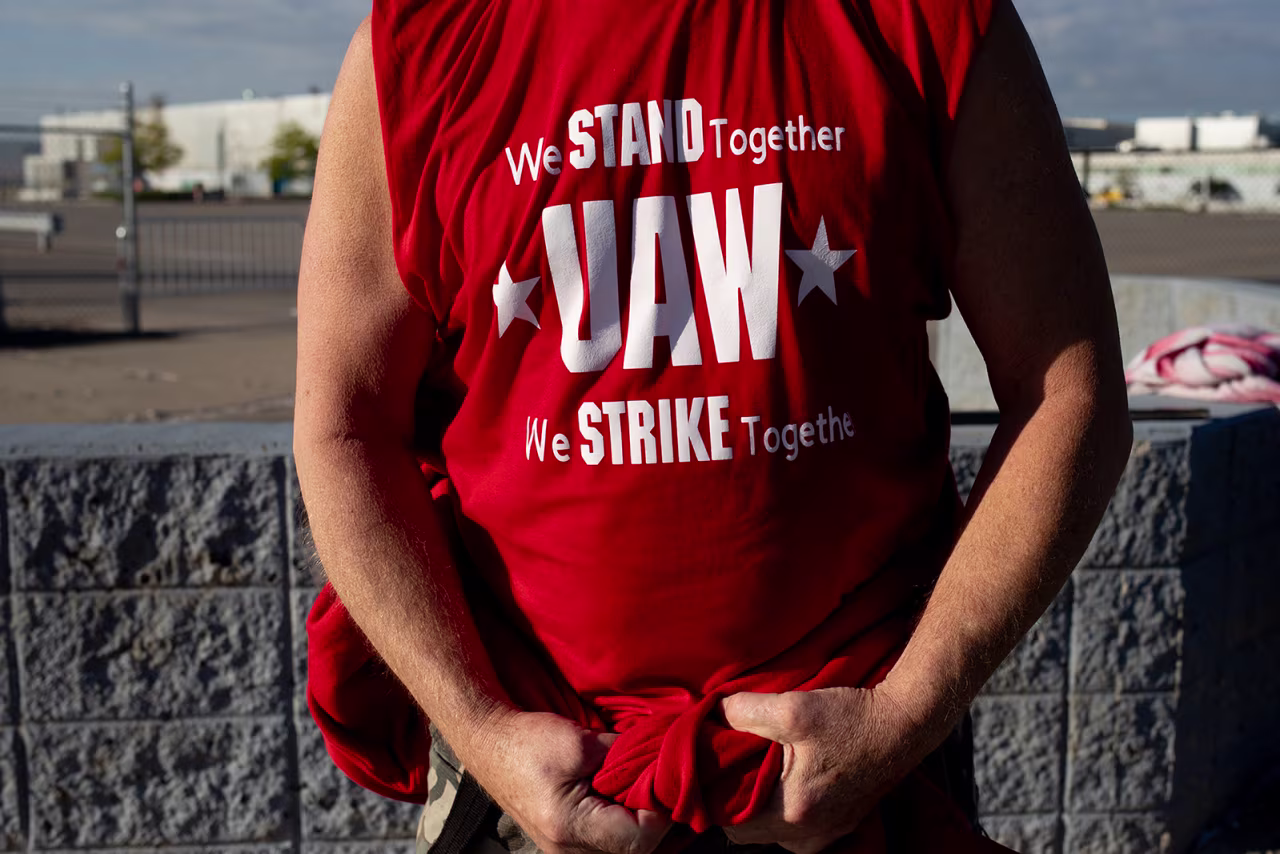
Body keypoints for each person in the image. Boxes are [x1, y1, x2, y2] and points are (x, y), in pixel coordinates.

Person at [293, 0, 1133, 852]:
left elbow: (1068, 388)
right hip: (537, 775)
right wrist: (479, 727)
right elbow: (344, 426)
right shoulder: (422, 41)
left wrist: (902, 713)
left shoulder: (929, 19)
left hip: (854, 764)